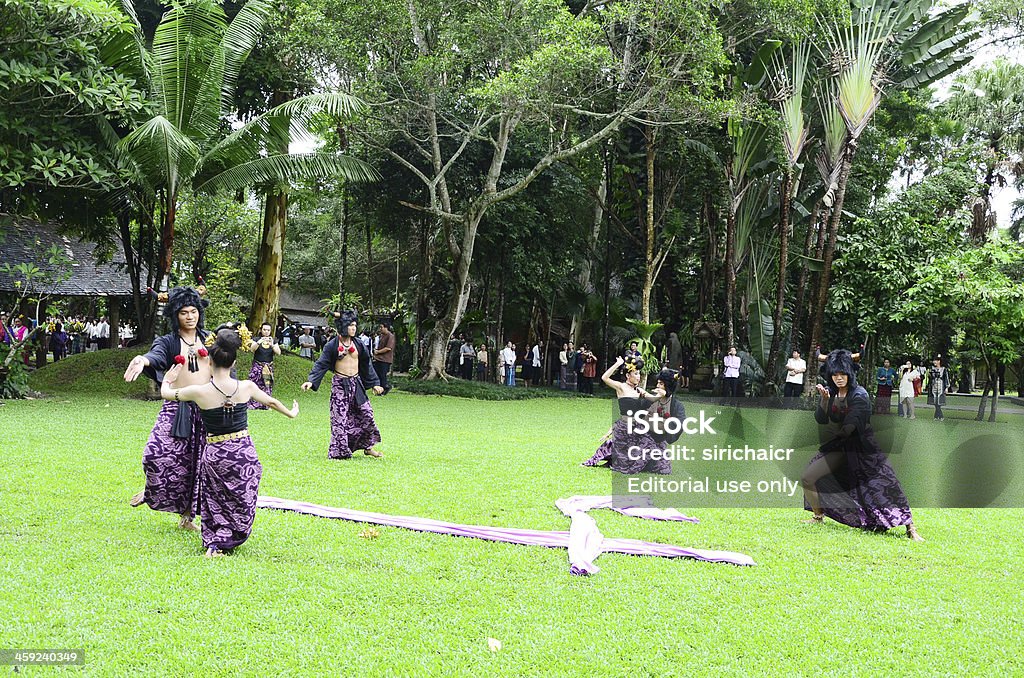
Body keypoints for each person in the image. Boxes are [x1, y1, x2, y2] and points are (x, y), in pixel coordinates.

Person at [161, 324, 298, 557]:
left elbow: (167, 394)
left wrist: (168, 378)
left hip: (215, 452)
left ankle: (215, 541)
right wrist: (291, 413)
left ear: (210, 362)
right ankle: (231, 536)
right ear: (234, 362)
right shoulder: (246, 386)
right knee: (242, 495)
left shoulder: (198, 391)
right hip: (243, 451)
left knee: (214, 496)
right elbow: (272, 402)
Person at [801, 349, 923, 541]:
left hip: (863, 448)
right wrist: (824, 401)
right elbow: (821, 419)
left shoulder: (860, 395)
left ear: (850, 373)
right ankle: (818, 516)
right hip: (839, 447)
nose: (838, 378)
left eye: (842, 374)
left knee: (885, 485)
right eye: (834, 374)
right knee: (808, 477)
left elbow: (852, 425)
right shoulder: (831, 392)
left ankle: (910, 528)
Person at [123, 286, 212, 531]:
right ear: (175, 315)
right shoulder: (168, 341)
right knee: (154, 454)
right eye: (184, 312)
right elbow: (157, 355)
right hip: (175, 407)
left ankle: (187, 518)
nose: (190, 317)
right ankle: (152, 489)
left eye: (194, 311)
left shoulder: (209, 338)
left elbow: (225, 364)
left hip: (204, 410)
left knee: (196, 464)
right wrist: (143, 360)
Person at [302, 309, 384, 459]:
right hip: (340, 385)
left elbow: (367, 365)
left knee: (367, 414)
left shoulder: (359, 344)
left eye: (355, 325)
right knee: (339, 418)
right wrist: (311, 381)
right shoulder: (332, 345)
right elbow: (321, 364)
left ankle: (368, 447)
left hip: (356, 383)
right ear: (343, 326)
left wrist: (374, 383)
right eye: (351, 325)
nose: (354, 328)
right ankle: (340, 451)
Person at [582, 356, 670, 474]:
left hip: (638, 427)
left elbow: (652, 399)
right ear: (628, 376)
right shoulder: (621, 387)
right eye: (636, 374)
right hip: (625, 428)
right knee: (621, 454)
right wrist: (618, 364)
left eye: (639, 374)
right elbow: (604, 377)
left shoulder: (639, 391)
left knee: (650, 446)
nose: (638, 377)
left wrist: (663, 394)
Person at [246, 322, 281, 410]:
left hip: (268, 366)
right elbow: (252, 349)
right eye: (264, 329)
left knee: (267, 385)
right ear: (261, 330)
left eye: (268, 330)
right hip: (257, 365)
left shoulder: (274, 340)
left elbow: (278, 352)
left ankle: (266, 405)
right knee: (254, 384)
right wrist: (259, 342)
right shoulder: (256, 339)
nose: (266, 332)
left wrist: (272, 344)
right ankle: (253, 404)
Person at [372, 321, 396, 394]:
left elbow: (388, 348)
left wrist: (378, 352)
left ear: (386, 328)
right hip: (379, 359)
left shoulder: (390, 336)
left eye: (381, 327)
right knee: (377, 373)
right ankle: (380, 388)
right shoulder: (382, 336)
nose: (380, 329)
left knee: (382, 375)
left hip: (385, 359)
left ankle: (385, 388)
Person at [926, 355, 950, 421]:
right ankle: (937, 416)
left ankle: (939, 416)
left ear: (939, 361)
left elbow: (946, 378)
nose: (934, 362)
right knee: (935, 401)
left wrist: (947, 387)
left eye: (936, 360)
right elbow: (930, 379)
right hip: (934, 386)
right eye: (934, 361)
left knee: (939, 402)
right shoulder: (932, 369)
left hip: (941, 386)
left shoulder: (944, 369)